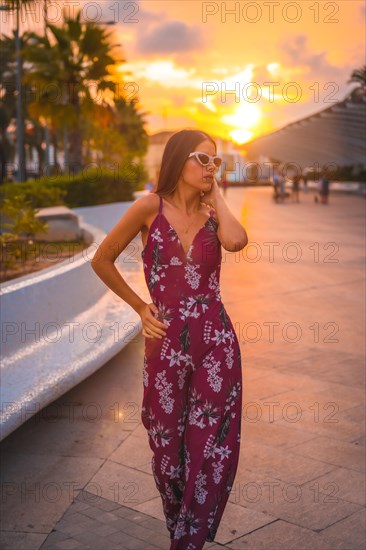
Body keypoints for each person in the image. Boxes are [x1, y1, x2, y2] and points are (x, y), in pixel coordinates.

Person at [91, 129, 248, 548]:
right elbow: (101, 259)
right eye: (201, 158)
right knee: (165, 443)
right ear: (178, 160)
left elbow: (236, 241)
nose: (209, 167)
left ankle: (188, 539)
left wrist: (218, 196)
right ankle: (180, 525)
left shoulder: (215, 215)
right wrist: (141, 308)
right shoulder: (148, 208)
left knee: (210, 443)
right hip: (165, 344)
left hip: (216, 342)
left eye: (215, 161)